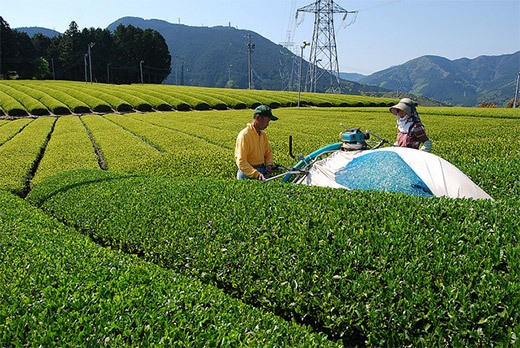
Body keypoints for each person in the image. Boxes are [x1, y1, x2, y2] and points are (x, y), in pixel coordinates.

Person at [235, 105, 278, 180]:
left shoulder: (262, 134)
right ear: (258, 118)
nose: (268, 124)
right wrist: (256, 174)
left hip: (262, 171)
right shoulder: (244, 135)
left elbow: (268, 153)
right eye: (267, 121)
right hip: (248, 174)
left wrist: (269, 164)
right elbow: (241, 162)